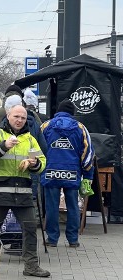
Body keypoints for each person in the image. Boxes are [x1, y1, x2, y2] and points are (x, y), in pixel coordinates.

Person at [0, 105, 50, 277]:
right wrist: (3, 146)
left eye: (23, 118)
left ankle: (31, 266)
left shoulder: (30, 139)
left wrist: (35, 164)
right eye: (16, 116)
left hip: (23, 191)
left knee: (30, 227)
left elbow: (42, 161)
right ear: (8, 116)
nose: (19, 120)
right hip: (1, 188)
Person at [40, 99, 94, 247]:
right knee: (73, 207)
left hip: (50, 171)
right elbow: (88, 154)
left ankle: (52, 239)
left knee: (51, 207)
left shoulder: (46, 126)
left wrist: (39, 169)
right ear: (73, 113)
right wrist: (88, 175)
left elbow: (37, 147)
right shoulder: (81, 128)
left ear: (58, 110)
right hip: (72, 173)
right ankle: (73, 239)